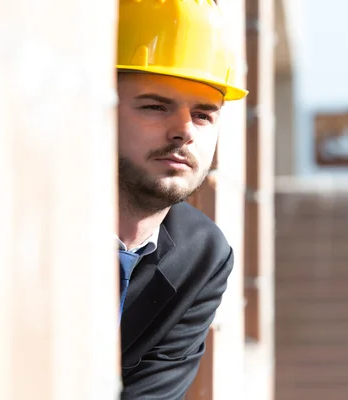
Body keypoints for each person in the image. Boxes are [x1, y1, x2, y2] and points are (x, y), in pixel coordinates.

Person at [115, 0, 248, 398]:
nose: (184, 131)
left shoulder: (203, 255)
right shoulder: (36, 228)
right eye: (155, 106)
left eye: (204, 115)